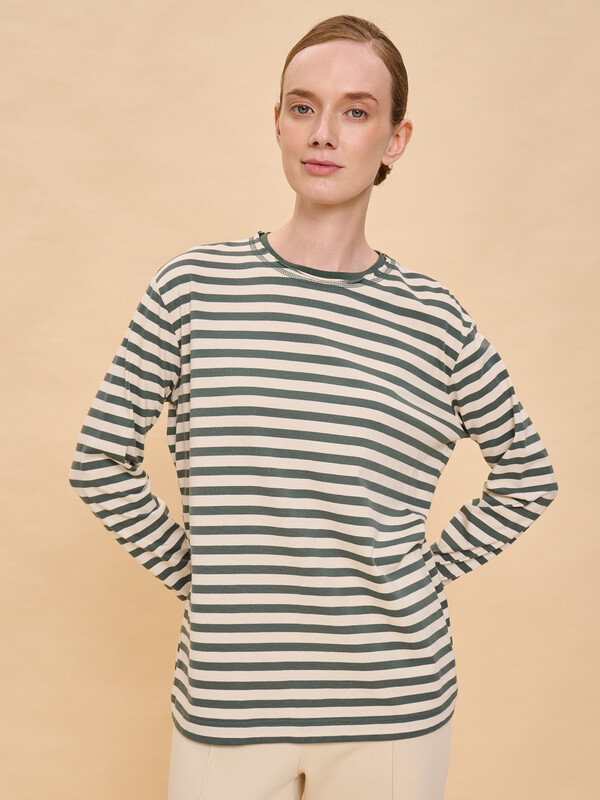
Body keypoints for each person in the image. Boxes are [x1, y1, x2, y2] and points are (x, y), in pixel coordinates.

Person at [68, 14, 559, 800]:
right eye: (304, 107)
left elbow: (529, 477)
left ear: (395, 139)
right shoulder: (192, 290)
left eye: (356, 111)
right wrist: (205, 577)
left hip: (394, 708)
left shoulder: (435, 320)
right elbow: (99, 462)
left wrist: (423, 576)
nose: (324, 133)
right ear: (278, 122)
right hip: (227, 702)